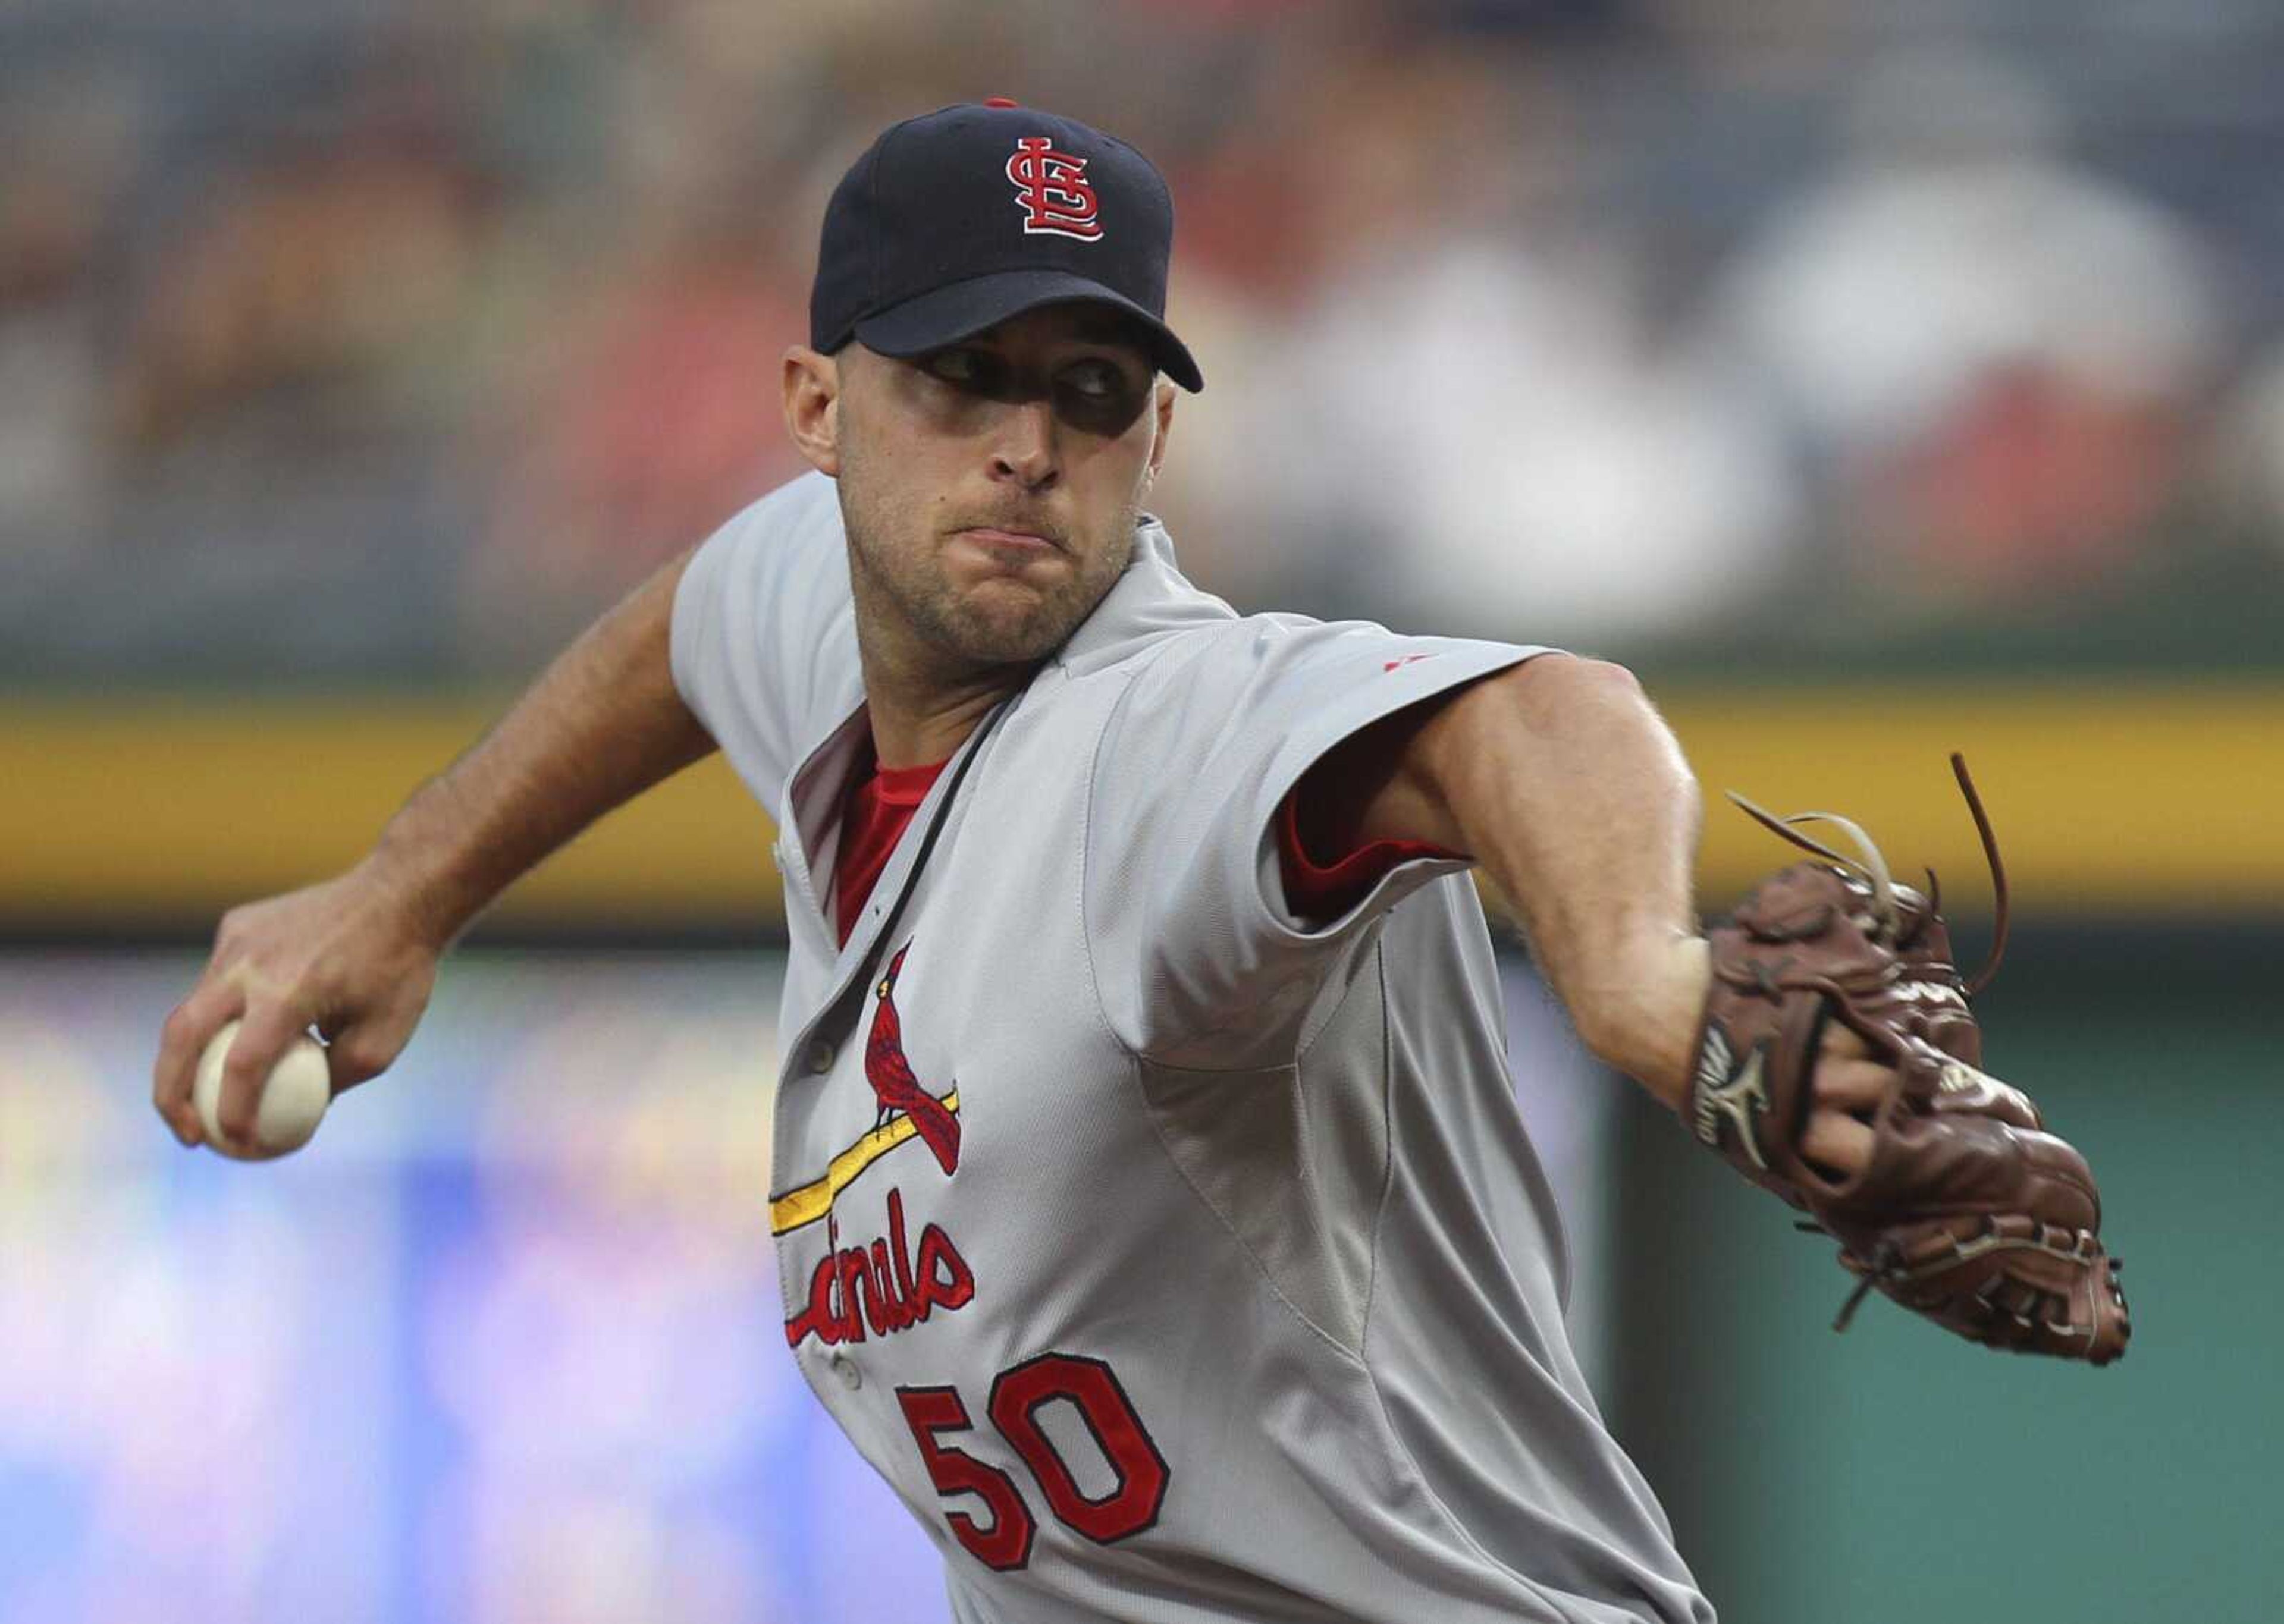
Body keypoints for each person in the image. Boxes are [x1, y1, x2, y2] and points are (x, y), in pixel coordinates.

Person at [153, 100, 1899, 1623]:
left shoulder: (1159, 739)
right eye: (959, 378)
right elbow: (689, 624)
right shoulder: (834, 615)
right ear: (816, 409)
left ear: (1155, 443)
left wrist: (1643, 977)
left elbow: (1534, 717)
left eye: (1087, 391)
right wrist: (400, 891)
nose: (1024, 443)